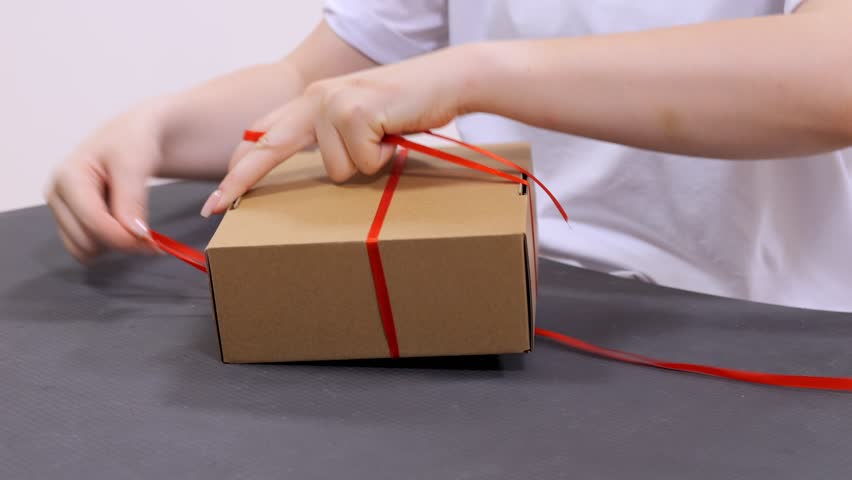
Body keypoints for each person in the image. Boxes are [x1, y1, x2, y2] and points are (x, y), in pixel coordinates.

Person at [46, 0, 852, 311]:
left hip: (743, 323)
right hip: (508, 304)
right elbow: (314, 83)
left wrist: (473, 76)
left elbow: (832, 70)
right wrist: (152, 128)